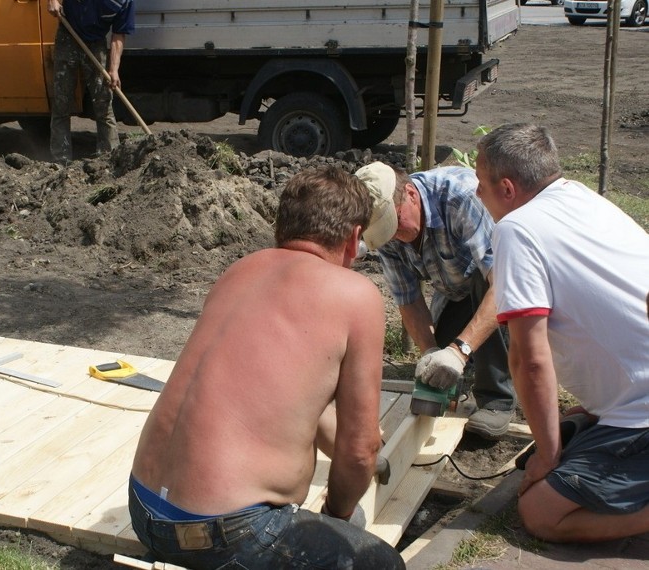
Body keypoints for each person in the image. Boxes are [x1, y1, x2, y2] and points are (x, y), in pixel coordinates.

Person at [129, 165, 405, 569]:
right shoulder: (356, 296)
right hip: (226, 532)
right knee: (380, 564)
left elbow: (297, 410)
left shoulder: (241, 270)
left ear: (283, 226)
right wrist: (338, 517)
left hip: (144, 510)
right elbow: (360, 449)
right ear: (352, 238)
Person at [474, 122, 649, 543]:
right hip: (637, 393)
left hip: (643, 413)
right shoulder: (581, 197)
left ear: (508, 188)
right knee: (573, 419)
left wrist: (548, 456)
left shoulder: (517, 229)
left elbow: (529, 359)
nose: (477, 194)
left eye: (481, 183)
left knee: (539, 512)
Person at [354, 161, 516, 438]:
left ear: (411, 194)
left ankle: (497, 399)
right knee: (439, 365)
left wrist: (459, 351)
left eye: (395, 225)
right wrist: (431, 352)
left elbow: (502, 284)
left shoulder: (460, 198)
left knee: (480, 282)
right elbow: (409, 299)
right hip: (455, 291)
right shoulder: (387, 232)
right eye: (385, 232)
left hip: (505, 287)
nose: (393, 236)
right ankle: (466, 374)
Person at [47, 0, 135, 163]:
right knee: (61, 102)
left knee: (103, 103)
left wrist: (114, 69)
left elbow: (118, 34)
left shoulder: (124, 3)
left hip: (96, 42)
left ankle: (108, 160)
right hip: (68, 35)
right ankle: (60, 160)